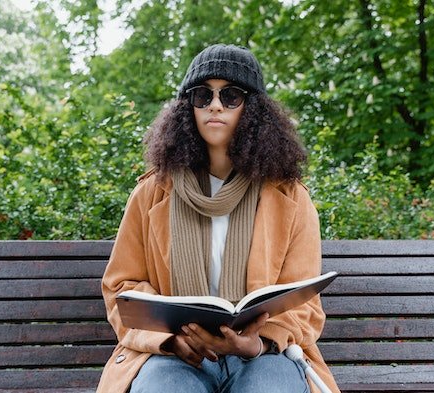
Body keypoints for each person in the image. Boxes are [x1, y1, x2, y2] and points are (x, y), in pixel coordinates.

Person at [97, 44, 340, 393]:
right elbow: (121, 287)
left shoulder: (290, 197)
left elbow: (303, 303)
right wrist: (167, 339)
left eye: (230, 96)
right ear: (187, 108)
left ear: (253, 109)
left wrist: (257, 343)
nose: (214, 105)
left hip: (264, 355)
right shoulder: (153, 192)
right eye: (202, 95)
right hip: (175, 355)